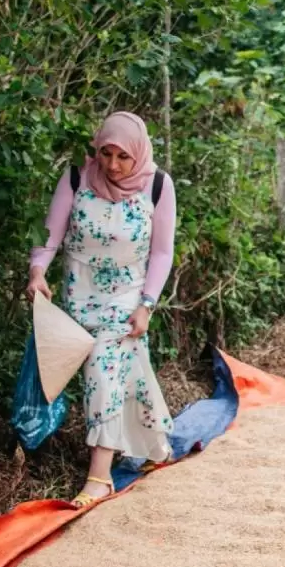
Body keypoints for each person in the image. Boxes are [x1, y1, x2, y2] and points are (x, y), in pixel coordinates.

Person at [26, 112, 177, 506]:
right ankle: (157, 445)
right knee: (127, 367)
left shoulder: (158, 186)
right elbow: (50, 233)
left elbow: (161, 253)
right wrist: (37, 271)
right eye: (105, 154)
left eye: (122, 157)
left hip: (127, 295)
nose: (111, 165)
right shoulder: (78, 177)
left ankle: (99, 475)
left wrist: (146, 305)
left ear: (138, 153)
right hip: (80, 291)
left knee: (104, 369)